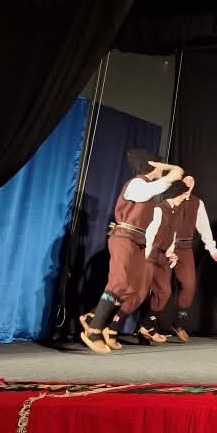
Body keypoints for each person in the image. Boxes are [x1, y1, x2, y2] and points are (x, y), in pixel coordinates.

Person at [79, 149, 184, 354]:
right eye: (157, 166)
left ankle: (92, 316)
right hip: (124, 238)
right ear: (150, 166)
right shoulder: (137, 184)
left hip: (138, 240)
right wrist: (167, 171)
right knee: (119, 283)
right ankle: (94, 330)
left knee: (133, 287)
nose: (161, 171)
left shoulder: (148, 189)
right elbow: (159, 184)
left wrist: (162, 169)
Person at [165, 175, 217, 342]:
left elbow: (204, 227)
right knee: (160, 288)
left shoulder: (197, 203)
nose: (189, 183)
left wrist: (212, 249)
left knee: (189, 286)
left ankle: (178, 323)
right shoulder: (170, 199)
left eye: (192, 181)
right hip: (166, 247)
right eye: (186, 180)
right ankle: (146, 325)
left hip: (185, 249)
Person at [139, 180, 191, 344]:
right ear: (176, 194)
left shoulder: (176, 211)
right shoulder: (159, 209)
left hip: (162, 257)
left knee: (164, 292)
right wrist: (145, 257)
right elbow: (150, 235)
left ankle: (147, 326)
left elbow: (172, 236)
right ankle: (105, 323)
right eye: (183, 194)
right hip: (151, 255)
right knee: (137, 293)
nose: (184, 197)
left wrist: (170, 253)